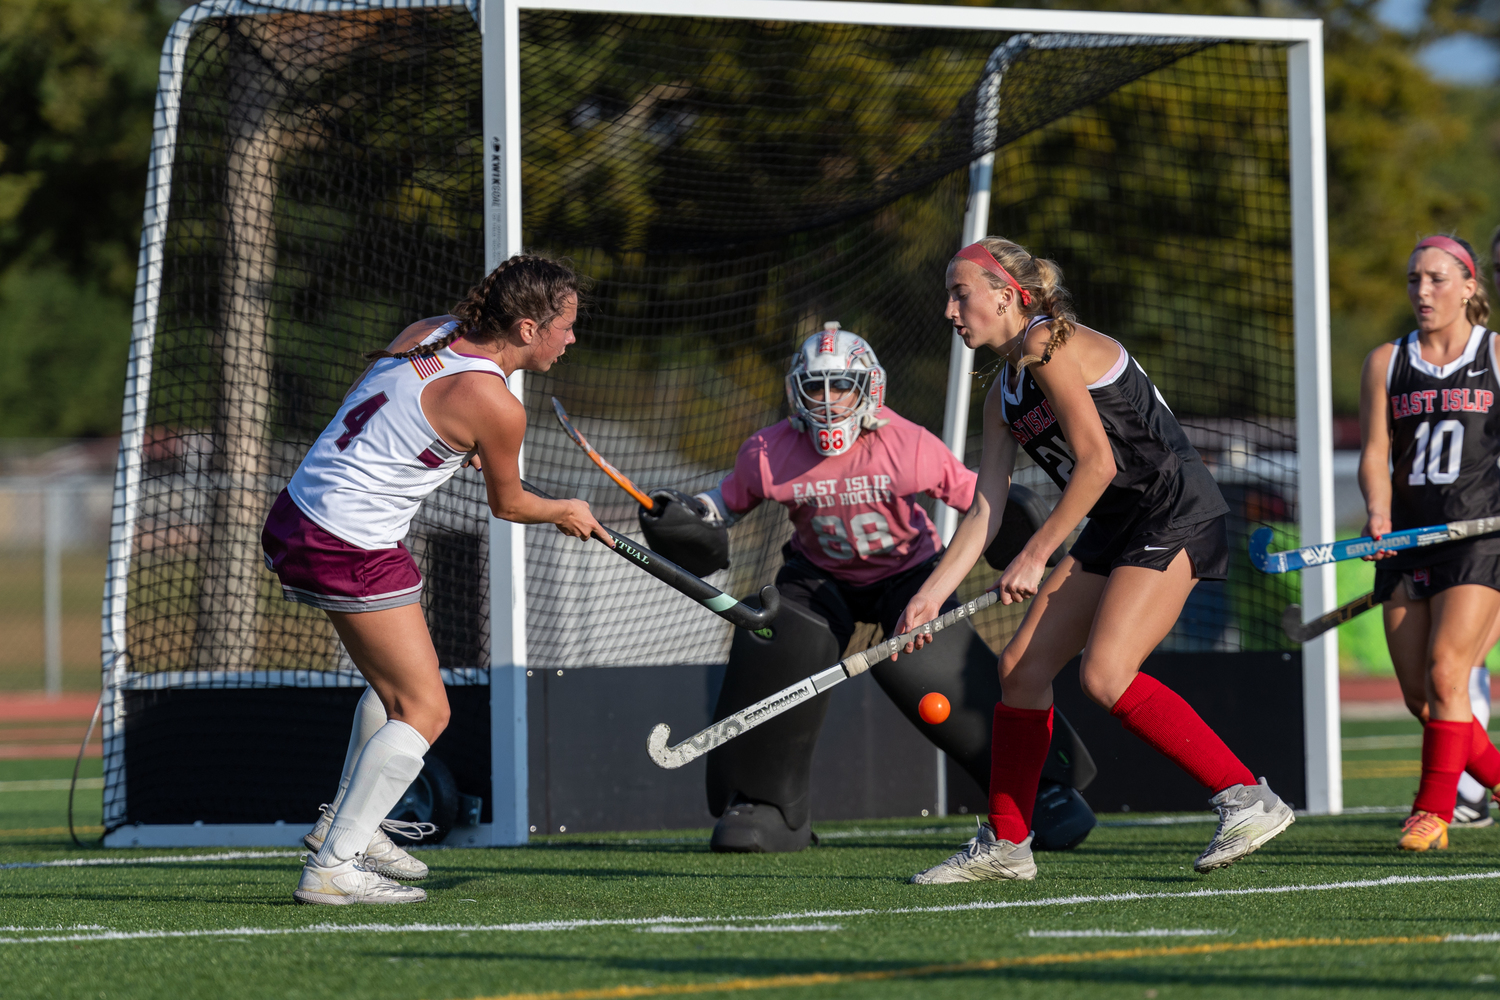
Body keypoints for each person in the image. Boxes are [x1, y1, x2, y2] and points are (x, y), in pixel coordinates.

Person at [897, 238, 1294, 884]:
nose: (949, 310)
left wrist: (1036, 553)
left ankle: (1247, 796)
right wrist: (931, 593)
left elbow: (1099, 463)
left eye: (959, 293)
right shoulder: (1004, 388)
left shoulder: (1048, 345)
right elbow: (984, 509)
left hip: (1172, 510)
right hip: (1119, 523)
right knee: (1020, 669)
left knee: (1106, 674)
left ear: (1005, 295)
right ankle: (1007, 842)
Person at [640, 323, 1099, 853]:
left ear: (869, 390)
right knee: (777, 641)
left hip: (908, 576)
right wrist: (684, 514)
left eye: (842, 386)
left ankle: (1038, 791)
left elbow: (981, 504)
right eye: (816, 387)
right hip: (818, 576)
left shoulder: (907, 444)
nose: (830, 401)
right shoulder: (767, 450)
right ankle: (766, 805)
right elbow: (720, 506)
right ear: (797, 391)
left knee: (945, 679)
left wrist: (1027, 536)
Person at [262, 254, 610, 904]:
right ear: (529, 328)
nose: (571, 339)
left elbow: (383, 412)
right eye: (565, 326)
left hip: (299, 513)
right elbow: (509, 506)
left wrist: (447, 448)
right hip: (349, 540)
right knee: (425, 709)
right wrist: (566, 509)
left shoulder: (429, 331)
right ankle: (334, 865)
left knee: (398, 685)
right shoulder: (495, 404)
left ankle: (352, 828)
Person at [1357, 234, 1500, 851]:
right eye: (1415, 279)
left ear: (1469, 286)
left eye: (1437, 279)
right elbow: (1375, 449)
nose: (1423, 292)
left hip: (1478, 539)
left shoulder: (1495, 355)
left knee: (1450, 674)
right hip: (1407, 542)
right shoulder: (1387, 361)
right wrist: (1378, 512)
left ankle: (1431, 812)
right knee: (1424, 698)